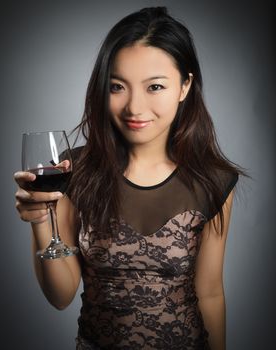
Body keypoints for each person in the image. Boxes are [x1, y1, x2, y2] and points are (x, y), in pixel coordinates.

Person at [14, 6, 249, 350]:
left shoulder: (214, 181)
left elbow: (211, 292)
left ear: (185, 86)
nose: (134, 107)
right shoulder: (73, 171)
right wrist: (39, 223)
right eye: (117, 87)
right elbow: (61, 295)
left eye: (155, 86)